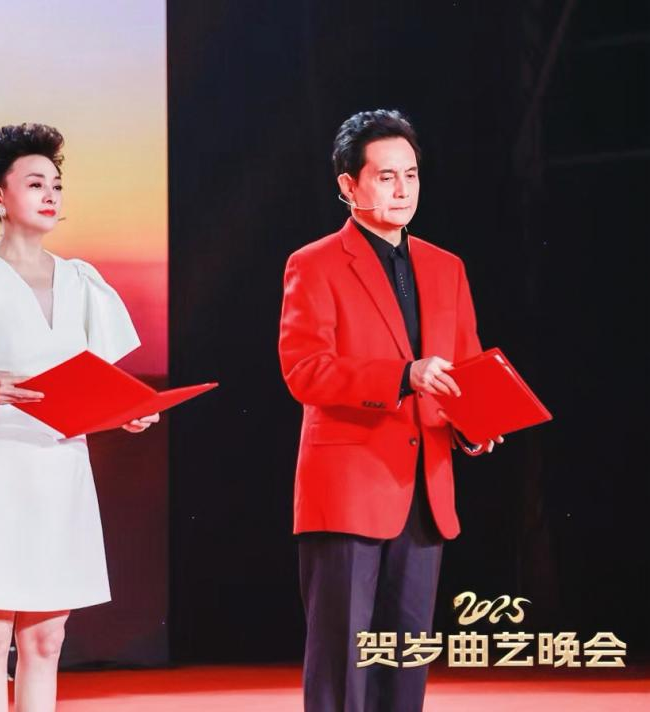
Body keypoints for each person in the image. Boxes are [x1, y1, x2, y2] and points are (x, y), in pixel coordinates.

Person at [0, 123, 158, 711]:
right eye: (35, 183)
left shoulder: (82, 281)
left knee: (47, 638)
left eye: (56, 185)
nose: (50, 196)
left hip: (62, 466)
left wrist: (126, 412)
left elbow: (97, 383)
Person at [278, 109, 504, 712]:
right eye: (386, 176)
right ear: (348, 185)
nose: (403, 189)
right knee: (343, 663)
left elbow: (465, 370)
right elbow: (305, 369)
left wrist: (475, 427)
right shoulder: (314, 263)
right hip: (348, 488)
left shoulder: (446, 266)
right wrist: (403, 376)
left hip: (426, 489)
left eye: (411, 175)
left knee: (405, 662)